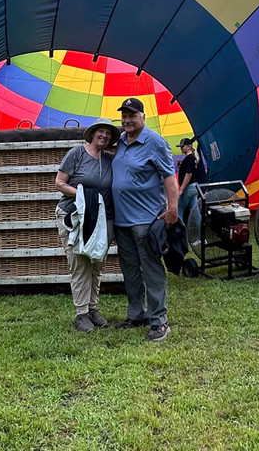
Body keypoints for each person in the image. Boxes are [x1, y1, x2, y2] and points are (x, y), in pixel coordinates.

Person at [110, 97, 178, 342]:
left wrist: (173, 209)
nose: (127, 120)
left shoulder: (154, 142)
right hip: (123, 222)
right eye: (124, 116)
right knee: (130, 271)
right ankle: (136, 314)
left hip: (147, 220)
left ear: (143, 118)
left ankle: (159, 321)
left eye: (132, 116)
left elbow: (170, 177)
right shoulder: (120, 141)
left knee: (151, 270)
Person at [54, 118, 118, 332]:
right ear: (92, 133)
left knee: (97, 262)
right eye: (101, 131)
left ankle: (92, 309)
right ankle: (81, 314)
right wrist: (83, 194)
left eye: (108, 133)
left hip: (103, 219)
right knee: (80, 263)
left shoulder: (110, 159)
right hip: (75, 217)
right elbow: (59, 183)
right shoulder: (76, 154)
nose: (104, 136)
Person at [176, 137, 206, 224]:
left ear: (189, 147)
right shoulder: (192, 158)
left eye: (182, 146)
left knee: (180, 209)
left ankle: (181, 234)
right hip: (195, 187)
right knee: (195, 213)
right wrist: (180, 166)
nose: (181, 148)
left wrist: (181, 190)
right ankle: (200, 235)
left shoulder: (189, 159)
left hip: (189, 187)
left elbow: (189, 174)